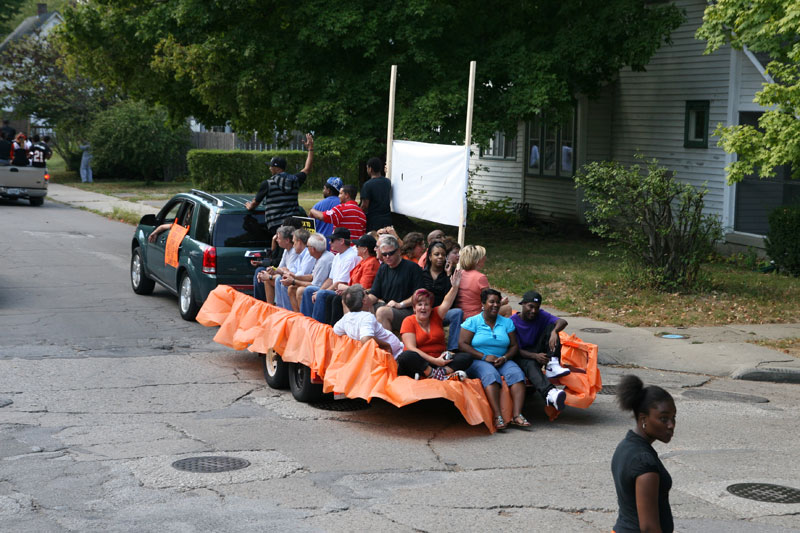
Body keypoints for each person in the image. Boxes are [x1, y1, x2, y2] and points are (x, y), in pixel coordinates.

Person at [612, 375, 676, 533]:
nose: (671, 425)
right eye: (663, 418)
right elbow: (648, 528)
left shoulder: (626, 445)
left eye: (673, 418)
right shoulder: (644, 462)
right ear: (643, 419)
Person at [458, 288, 529, 430]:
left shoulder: (506, 323)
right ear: (483, 304)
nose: (495, 305)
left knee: (517, 375)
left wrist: (505, 357)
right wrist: (484, 357)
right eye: (492, 302)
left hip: (502, 359)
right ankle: (498, 416)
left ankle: (517, 415)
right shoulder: (473, 322)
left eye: (498, 302)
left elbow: (514, 346)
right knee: (490, 375)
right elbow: (462, 345)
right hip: (478, 359)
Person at [397, 272, 472, 381]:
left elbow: (447, 302)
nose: (423, 308)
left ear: (431, 307)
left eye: (426, 304)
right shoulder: (408, 321)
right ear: (414, 308)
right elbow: (411, 348)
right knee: (406, 356)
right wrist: (434, 360)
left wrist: (455, 286)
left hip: (439, 362)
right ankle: (438, 375)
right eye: (419, 305)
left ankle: (438, 374)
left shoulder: (436, 314)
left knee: (466, 357)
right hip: (421, 362)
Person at [511, 290, 571, 412]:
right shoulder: (512, 322)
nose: (534, 311)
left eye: (537, 308)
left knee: (552, 326)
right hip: (521, 356)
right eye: (530, 307)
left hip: (538, 351)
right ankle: (550, 393)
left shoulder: (541, 315)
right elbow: (514, 349)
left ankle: (553, 364)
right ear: (523, 304)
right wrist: (535, 356)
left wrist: (555, 331)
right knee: (531, 364)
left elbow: (562, 322)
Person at [245, 133, 313, 238]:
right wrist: (310, 149)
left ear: (277, 168)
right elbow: (307, 169)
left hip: (275, 227)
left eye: (271, 166)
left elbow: (255, 203)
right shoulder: (295, 180)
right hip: (293, 225)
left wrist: (249, 206)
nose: (269, 168)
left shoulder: (267, 184)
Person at [365, 234, 424, 333]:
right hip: (387, 305)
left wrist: (400, 304)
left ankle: (389, 346)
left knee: (382, 312)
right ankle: (356, 342)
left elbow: (419, 294)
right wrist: (361, 301)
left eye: (391, 253)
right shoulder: (383, 268)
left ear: (399, 251)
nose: (387, 257)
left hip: (406, 309)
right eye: (384, 254)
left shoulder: (413, 268)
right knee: (354, 302)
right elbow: (375, 294)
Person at [301, 227, 360, 322]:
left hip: (342, 291)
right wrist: (320, 290)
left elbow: (341, 282)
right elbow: (331, 279)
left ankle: (317, 325)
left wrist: (321, 292)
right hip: (335, 288)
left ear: (341, 241)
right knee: (309, 290)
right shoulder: (337, 256)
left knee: (322, 294)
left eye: (332, 240)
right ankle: (307, 322)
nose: (329, 243)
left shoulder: (351, 257)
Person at [333, 284, 404, 359]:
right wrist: (386, 346)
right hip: (392, 355)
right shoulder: (366, 317)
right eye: (366, 293)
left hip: (388, 351)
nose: (368, 295)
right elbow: (366, 339)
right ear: (364, 300)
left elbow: (336, 330)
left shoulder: (346, 318)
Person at [325, 233, 381, 327]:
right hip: (354, 291)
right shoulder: (363, 261)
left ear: (365, 249)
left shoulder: (371, 263)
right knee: (331, 297)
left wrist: (345, 289)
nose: (355, 247)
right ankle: (330, 327)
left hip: (362, 294)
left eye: (358, 246)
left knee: (337, 298)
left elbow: (363, 287)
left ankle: (342, 329)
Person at [422, 241, 463, 351]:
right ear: (430, 257)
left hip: (442, 312)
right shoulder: (422, 273)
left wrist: (448, 276)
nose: (440, 257)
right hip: (425, 311)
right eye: (437, 254)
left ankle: (452, 349)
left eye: (443, 255)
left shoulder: (452, 273)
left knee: (457, 313)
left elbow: (452, 302)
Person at [273, 228, 316, 310]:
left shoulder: (308, 254)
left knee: (285, 282)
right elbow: (293, 270)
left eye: (294, 242)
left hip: (308, 282)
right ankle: (281, 309)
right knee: (280, 279)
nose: (293, 245)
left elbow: (303, 274)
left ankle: (289, 311)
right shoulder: (300, 254)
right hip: (300, 279)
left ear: (299, 242)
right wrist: (286, 272)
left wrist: (286, 273)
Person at [290, 233, 334, 312]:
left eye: (307, 246)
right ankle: (298, 315)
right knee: (292, 288)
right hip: (321, 285)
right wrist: (294, 277)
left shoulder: (323, 261)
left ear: (313, 249)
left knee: (300, 290)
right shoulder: (321, 256)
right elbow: (312, 276)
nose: (307, 249)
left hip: (325, 288)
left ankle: (306, 318)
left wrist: (293, 281)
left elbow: (315, 284)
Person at [252, 225, 296, 303]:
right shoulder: (286, 250)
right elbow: (279, 268)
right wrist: (270, 271)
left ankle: (277, 307)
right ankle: (270, 307)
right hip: (284, 277)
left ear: (287, 240)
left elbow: (287, 274)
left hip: (292, 280)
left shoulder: (294, 252)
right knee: (263, 275)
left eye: (279, 238)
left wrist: (270, 276)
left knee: (269, 279)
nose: (277, 240)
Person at [360, 156, 392, 231]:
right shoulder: (387, 182)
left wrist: (359, 215)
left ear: (370, 169)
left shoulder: (367, 185)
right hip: (387, 218)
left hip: (373, 220)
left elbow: (364, 205)